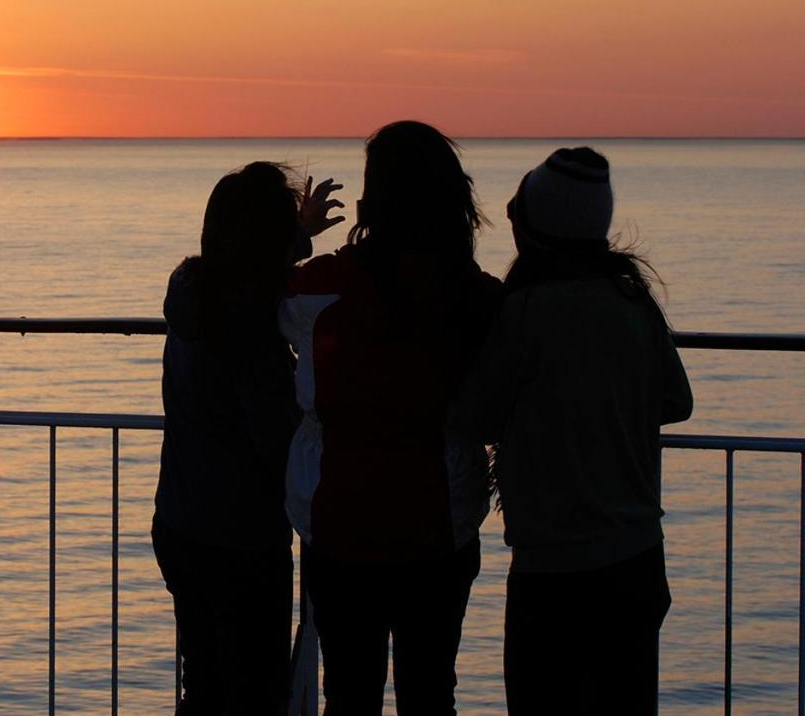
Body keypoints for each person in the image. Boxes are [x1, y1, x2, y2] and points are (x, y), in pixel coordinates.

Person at [453, 147, 693, 715]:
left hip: (553, 569)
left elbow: (476, 416)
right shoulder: (632, 301)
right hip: (637, 558)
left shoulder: (528, 311)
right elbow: (676, 400)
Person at [280, 122, 501, 714]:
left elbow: (259, 292)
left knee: (350, 694)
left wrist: (298, 236)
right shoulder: (475, 297)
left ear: (369, 201)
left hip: (340, 521)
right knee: (430, 693)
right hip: (438, 524)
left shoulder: (319, 290)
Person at [152, 161, 342, 715]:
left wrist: (298, 236)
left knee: (205, 687)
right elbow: (275, 441)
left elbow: (252, 277)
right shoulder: (252, 336)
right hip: (241, 539)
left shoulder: (192, 295)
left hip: (181, 523)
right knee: (255, 694)